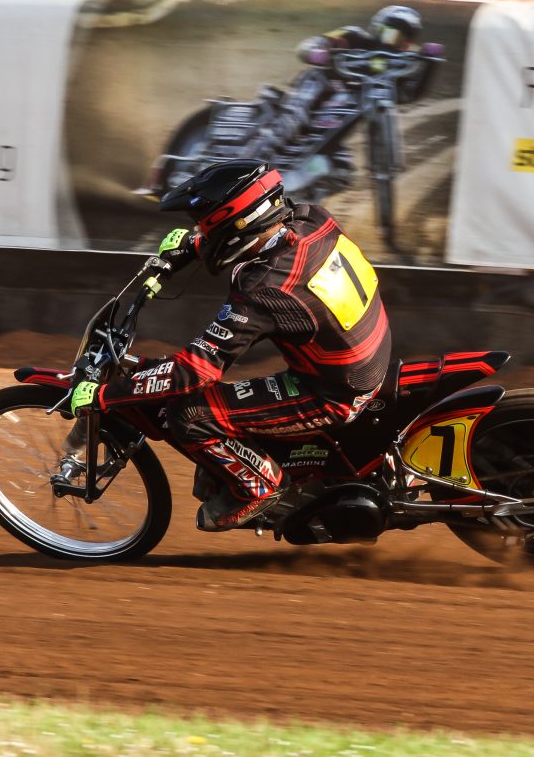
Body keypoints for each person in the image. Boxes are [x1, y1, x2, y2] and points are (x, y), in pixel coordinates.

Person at [68, 159, 391, 532]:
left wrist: (107, 395)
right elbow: (249, 233)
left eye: (206, 223)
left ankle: (260, 487)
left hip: (334, 392)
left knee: (188, 413)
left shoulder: (265, 288)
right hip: (364, 352)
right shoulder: (312, 218)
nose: (200, 229)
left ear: (235, 221)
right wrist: (195, 244)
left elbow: (195, 370)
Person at [295, 5, 436, 105]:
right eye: (393, 36)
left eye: (403, 42)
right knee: (316, 75)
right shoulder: (351, 35)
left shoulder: (399, 63)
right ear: (377, 29)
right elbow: (309, 45)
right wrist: (316, 52)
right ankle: (286, 124)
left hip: (348, 105)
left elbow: (406, 95)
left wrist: (430, 64)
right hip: (321, 90)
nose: (396, 44)